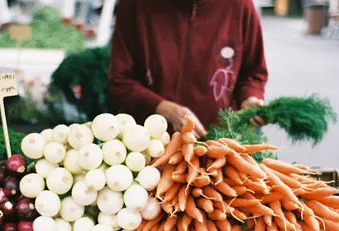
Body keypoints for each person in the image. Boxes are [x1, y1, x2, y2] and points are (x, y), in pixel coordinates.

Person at [108, 0, 268, 138]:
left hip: (220, 143)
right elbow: (120, 81)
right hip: (147, 145)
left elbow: (253, 74)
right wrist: (165, 109)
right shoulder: (135, 5)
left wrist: (250, 97)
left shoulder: (240, 5)